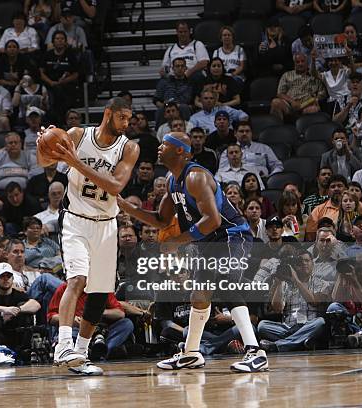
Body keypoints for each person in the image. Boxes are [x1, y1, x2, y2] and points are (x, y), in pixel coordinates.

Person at [118, 132, 268, 372]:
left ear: (180, 150)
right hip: (208, 239)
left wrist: (177, 241)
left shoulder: (196, 176)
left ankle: (255, 351)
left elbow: (213, 220)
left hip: (231, 234)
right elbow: (161, 219)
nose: (158, 147)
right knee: (199, 295)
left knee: (226, 283)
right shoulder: (171, 180)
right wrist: (127, 207)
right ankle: (191, 353)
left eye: (164, 144)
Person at [36, 96, 139, 375]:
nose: (127, 124)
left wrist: (76, 163)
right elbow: (45, 161)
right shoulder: (77, 136)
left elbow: (116, 185)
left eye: (130, 119)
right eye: (123, 118)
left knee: (99, 294)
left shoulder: (129, 148)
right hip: (76, 220)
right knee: (77, 279)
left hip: (107, 224)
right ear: (108, 114)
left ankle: (80, 354)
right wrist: (43, 143)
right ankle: (63, 345)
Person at [0, 262, 41, 352]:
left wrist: (17, 310)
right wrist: (4, 310)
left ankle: (23, 350)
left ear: (12, 278)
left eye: (8, 276)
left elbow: (36, 305)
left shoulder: (18, 294)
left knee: (23, 307)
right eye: (2, 276)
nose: (5, 279)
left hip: (16, 335)